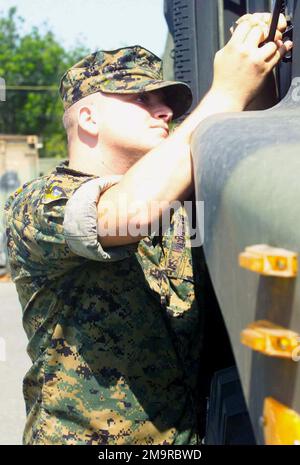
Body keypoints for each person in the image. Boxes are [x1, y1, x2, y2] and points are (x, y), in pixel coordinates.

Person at [4, 13, 292, 445]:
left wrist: (257, 59)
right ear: (88, 118)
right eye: (141, 99)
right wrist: (225, 93)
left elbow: (258, 161)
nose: (165, 112)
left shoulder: (174, 199)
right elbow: (128, 214)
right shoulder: (37, 203)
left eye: (168, 102)